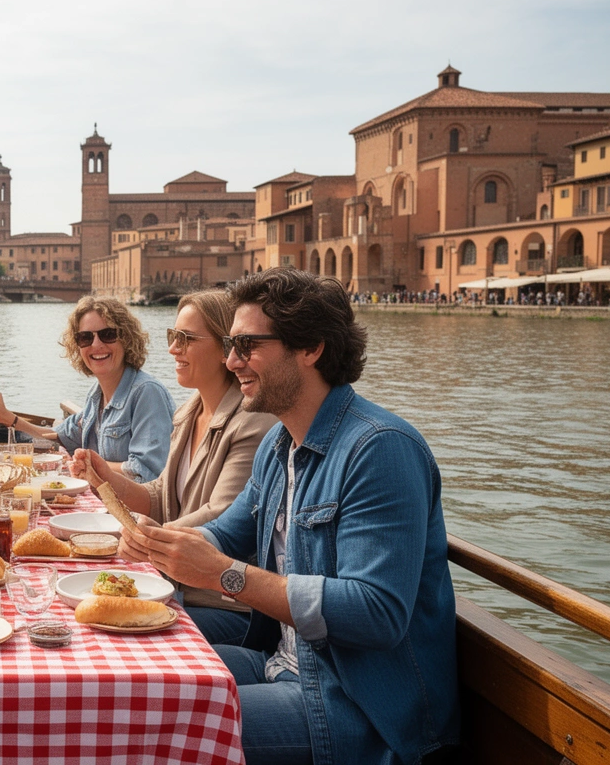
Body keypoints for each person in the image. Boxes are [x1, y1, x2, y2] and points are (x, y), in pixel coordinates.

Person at [119, 268, 458, 764]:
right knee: (133, 676)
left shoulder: (380, 449)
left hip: (357, 708)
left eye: (247, 345)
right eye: (230, 344)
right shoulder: (279, 445)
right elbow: (225, 533)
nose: (231, 361)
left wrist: (226, 575)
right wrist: (160, 543)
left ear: (311, 348)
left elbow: (377, 612)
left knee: (155, 729)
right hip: (282, 664)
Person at [69, 289, 275, 613]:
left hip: (220, 604)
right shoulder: (188, 413)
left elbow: (220, 517)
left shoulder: (253, 422)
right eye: (172, 336)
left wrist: (146, 538)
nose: (173, 348)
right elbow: (158, 497)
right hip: (174, 585)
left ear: (226, 349)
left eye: (186, 339)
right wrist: (105, 476)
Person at [0, 296, 175, 483]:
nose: (96, 344)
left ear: (126, 339)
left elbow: (147, 472)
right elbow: (58, 437)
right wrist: (9, 418)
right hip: (104, 498)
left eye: (108, 334)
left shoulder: (147, 393)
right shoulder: (96, 395)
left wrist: (90, 465)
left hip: (131, 504)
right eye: (85, 338)